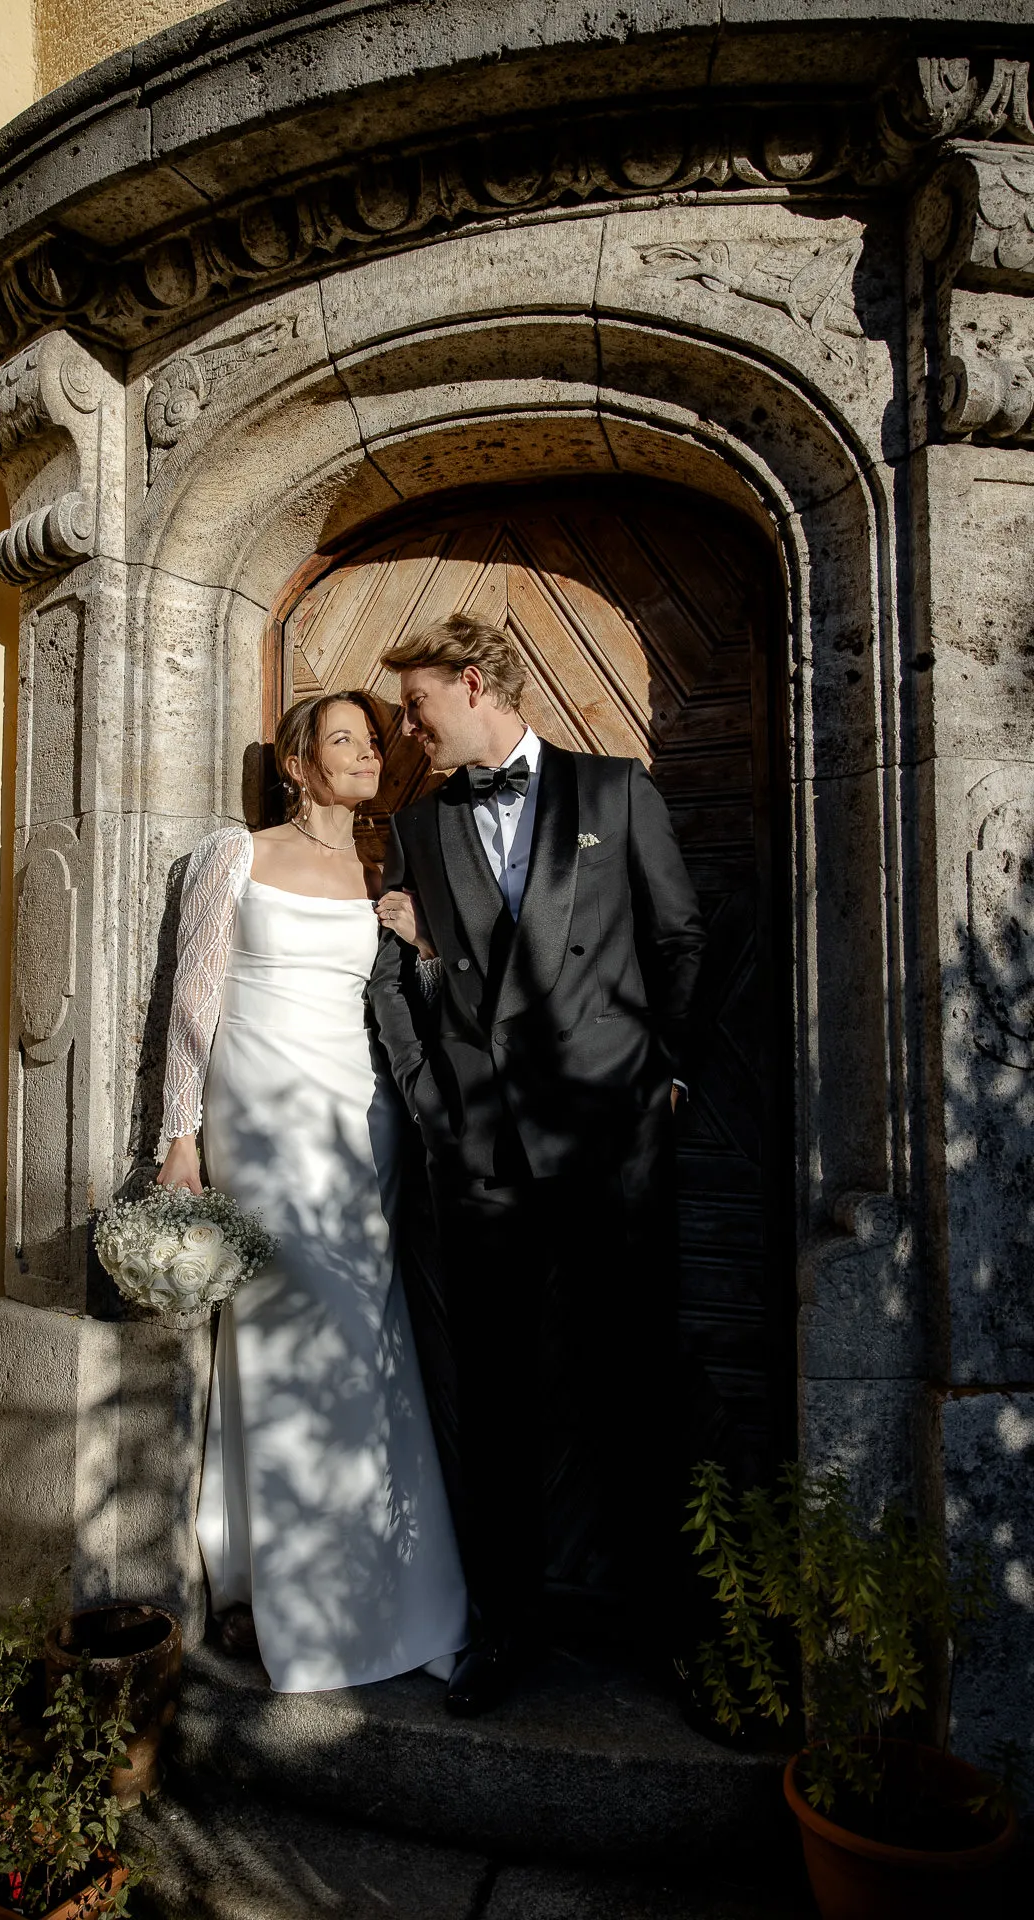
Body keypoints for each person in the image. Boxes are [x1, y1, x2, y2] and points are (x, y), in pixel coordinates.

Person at [368, 613, 705, 1717]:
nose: (407, 731)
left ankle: (678, 1639)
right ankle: (501, 1634)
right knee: (497, 1406)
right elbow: (402, 980)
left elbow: (679, 942)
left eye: (417, 706)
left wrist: (665, 1080)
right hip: (480, 1157)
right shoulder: (418, 827)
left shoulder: (614, 794)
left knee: (637, 1393)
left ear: (473, 684)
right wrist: (430, 1105)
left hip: (612, 1146)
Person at [156, 690, 466, 1693]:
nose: (367, 752)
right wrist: (179, 1139)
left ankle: (387, 1589)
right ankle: (309, 1610)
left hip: (357, 1125)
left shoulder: (385, 866)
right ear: (296, 763)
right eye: (344, 739)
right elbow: (193, 1003)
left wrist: (423, 941)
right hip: (264, 1127)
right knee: (291, 1346)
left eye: (374, 739)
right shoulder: (235, 855)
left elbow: (423, 1005)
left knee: (365, 1352)